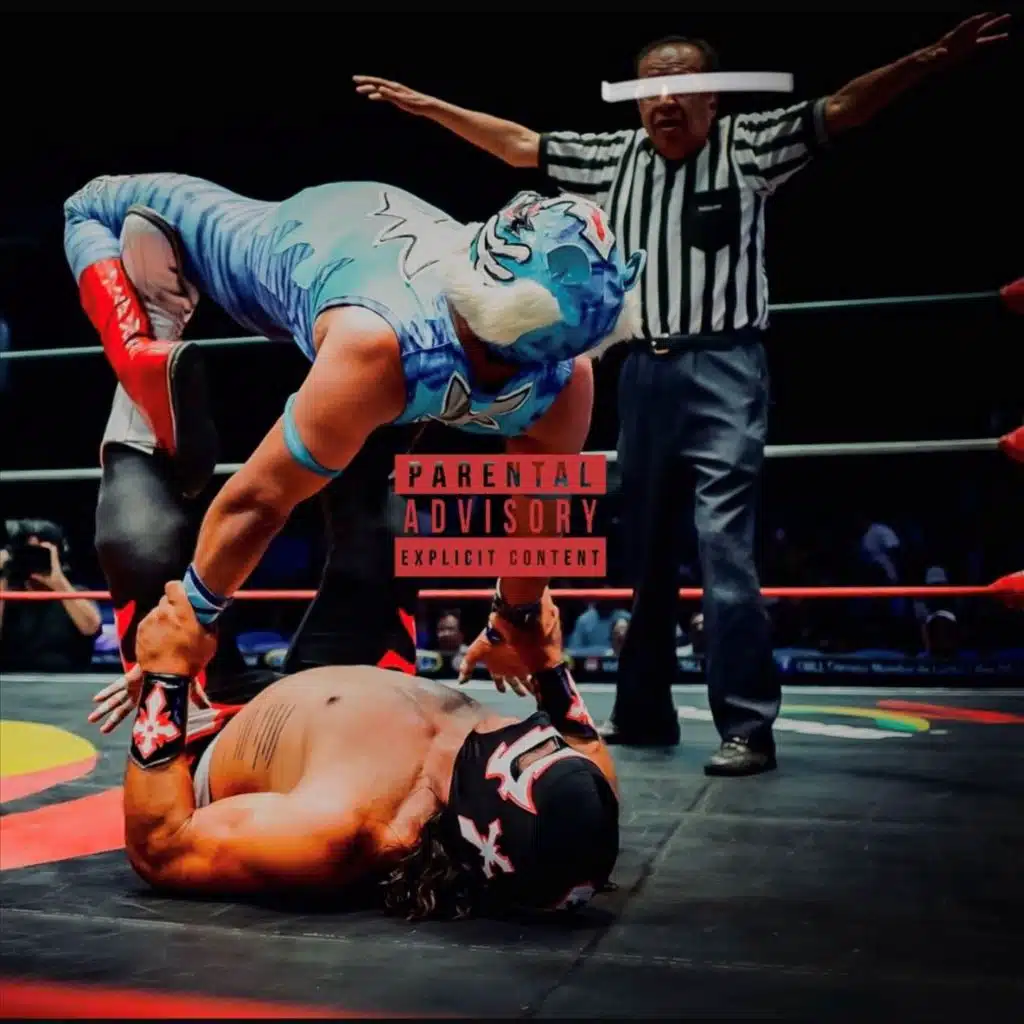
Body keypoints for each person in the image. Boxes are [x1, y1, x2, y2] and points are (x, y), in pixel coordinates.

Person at [354, 12, 1010, 774]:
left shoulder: (747, 146)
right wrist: (426, 106)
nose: (664, 101)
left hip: (727, 366)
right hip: (643, 371)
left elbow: (841, 109)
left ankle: (748, 725)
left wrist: (928, 58)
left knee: (724, 546)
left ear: (712, 97)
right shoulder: (614, 158)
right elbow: (518, 143)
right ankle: (643, 711)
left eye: (681, 87)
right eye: (651, 89)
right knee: (648, 548)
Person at [63, 172, 645, 709]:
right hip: (310, 257)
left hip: (377, 297)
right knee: (100, 210)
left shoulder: (566, 379)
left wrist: (511, 622)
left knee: (374, 471)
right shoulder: (384, 344)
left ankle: (331, 661)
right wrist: (185, 624)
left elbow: (537, 524)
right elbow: (260, 500)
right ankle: (145, 348)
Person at [87, 582, 618, 919]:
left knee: (142, 537)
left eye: (536, 751)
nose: (538, 733)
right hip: (331, 691)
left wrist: (167, 676)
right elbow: (589, 762)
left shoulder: (342, 824)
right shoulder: (571, 800)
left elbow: (161, 845)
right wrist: (545, 659)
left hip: (219, 728)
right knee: (376, 530)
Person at [0, 519, 102, 673]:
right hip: (11, 679)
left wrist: (58, 582)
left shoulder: (77, 594)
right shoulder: (8, 596)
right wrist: (2, 575)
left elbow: (91, 628)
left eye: (40, 554)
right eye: (26, 554)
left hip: (68, 680)